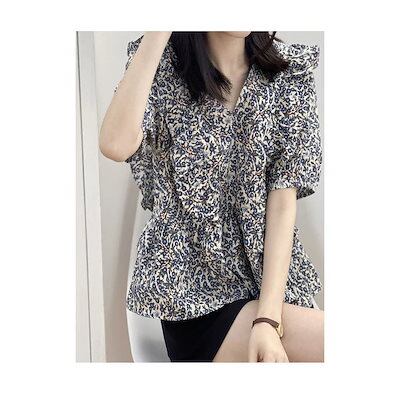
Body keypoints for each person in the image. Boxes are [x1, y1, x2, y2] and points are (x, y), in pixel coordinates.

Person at [99, 31, 324, 362]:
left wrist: (267, 319)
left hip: (271, 292)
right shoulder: (163, 68)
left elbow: (282, 205)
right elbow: (115, 144)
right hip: (195, 301)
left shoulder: (289, 73)